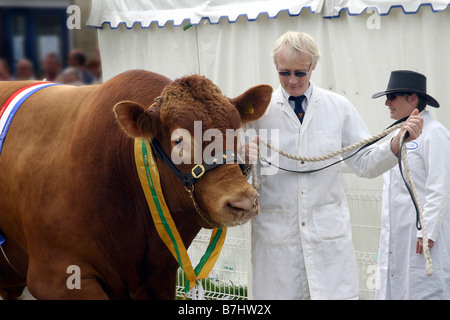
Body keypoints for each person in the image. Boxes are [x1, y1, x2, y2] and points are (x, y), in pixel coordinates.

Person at [243, 31, 423, 300]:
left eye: (300, 73)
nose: (292, 80)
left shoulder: (339, 108)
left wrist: (395, 144)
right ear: (275, 66)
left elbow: (363, 163)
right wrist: (241, 158)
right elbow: (231, 175)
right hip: (276, 244)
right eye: (284, 72)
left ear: (314, 66)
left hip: (327, 242)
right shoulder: (258, 112)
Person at [373, 70, 450, 300]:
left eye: (392, 97)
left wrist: (428, 232)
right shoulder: (397, 135)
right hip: (396, 239)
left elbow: (440, 187)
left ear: (412, 98)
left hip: (421, 240)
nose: (387, 103)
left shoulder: (435, 134)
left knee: (423, 291)